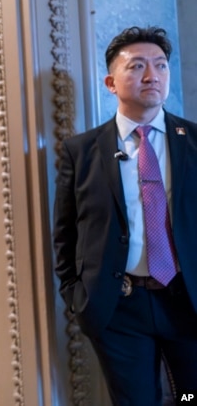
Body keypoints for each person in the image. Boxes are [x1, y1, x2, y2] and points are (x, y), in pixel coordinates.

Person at [53, 26, 197, 405]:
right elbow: (66, 234)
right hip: (120, 308)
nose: (152, 76)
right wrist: (77, 296)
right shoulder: (81, 151)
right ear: (111, 82)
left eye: (161, 65)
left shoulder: (193, 141)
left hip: (188, 301)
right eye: (136, 67)